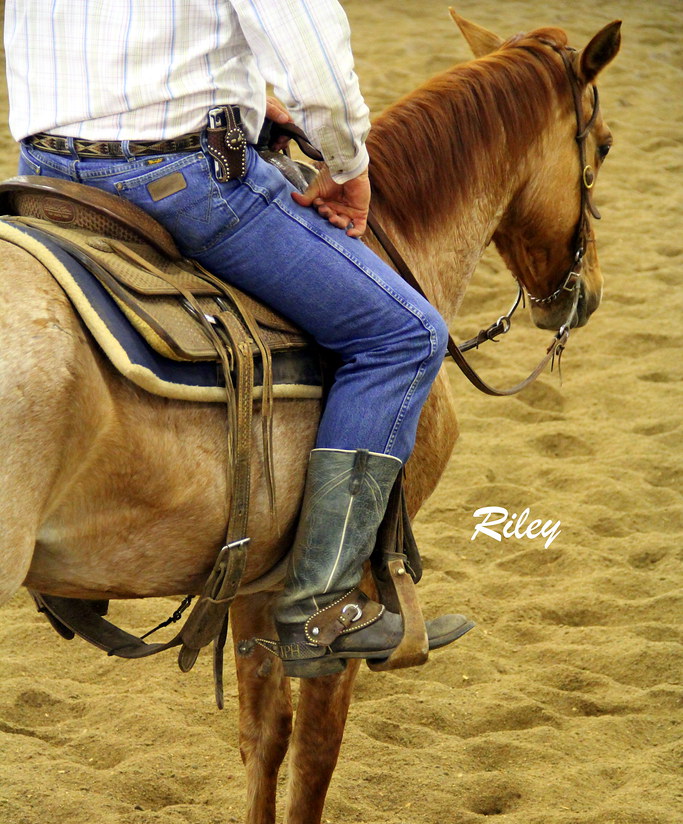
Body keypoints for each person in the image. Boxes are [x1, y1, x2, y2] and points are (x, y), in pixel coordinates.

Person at [4, 0, 473, 676]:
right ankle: (320, 604)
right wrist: (345, 161)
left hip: (41, 174)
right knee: (403, 335)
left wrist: (245, 99)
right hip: (180, 181)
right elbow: (311, 50)